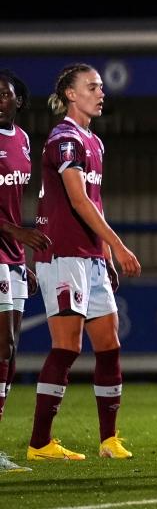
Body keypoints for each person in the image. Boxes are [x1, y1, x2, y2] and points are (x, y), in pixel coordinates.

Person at [26, 63, 141, 461]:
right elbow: (77, 200)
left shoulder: (94, 141)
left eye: (101, 87)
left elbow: (96, 202)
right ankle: (40, 442)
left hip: (90, 256)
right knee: (67, 347)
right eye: (92, 87)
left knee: (109, 345)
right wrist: (120, 245)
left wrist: (105, 254)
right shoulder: (65, 139)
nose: (101, 92)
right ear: (71, 95)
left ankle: (109, 440)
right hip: (61, 255)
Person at [0, 69, 53, 472]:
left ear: (19, 99)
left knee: (12, 350)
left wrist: (21, 252)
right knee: (3, 346)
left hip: (13, 256)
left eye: (4, 94)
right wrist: (15, 233)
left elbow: (17, 207)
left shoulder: (22, 141)